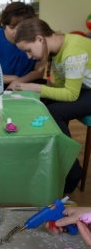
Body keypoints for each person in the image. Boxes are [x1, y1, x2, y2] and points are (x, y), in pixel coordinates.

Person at [14, 18, 91, 193]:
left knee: (54, 112)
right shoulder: (58, 49)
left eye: (28, 50)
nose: (29, 56)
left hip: (85, 91)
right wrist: (36, 94)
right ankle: (42, 156)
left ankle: (72, 172)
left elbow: (70, 94)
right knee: (42, 104)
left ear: (40, 39)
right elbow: (58, 89)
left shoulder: (72, 51)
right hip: (85, 89)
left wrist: (35, 88)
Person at [0, 2, 45, 90]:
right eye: (11, 27)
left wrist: (19, 81)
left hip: (26, 84)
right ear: (4, 24)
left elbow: (39, 71)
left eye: (22, 28)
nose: (16, 33)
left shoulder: (35, 39)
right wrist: (14, 79)